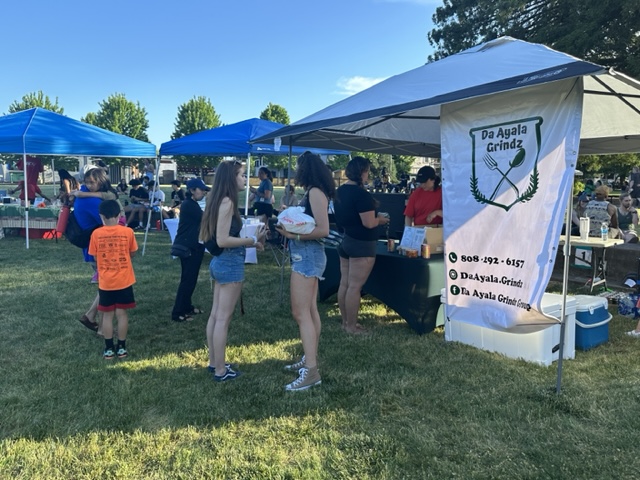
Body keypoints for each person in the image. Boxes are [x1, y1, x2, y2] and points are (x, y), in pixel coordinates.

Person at [200, 161, 264, 382]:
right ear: (231, 178)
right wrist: (252, 239)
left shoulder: (217, 199)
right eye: (242, 175)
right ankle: (220, 370)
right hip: (229, 263)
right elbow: (223, 239)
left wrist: (250, 242)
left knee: (216, 315)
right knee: (222, 319)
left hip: (220, 262)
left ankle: (214, 362)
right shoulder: (227, 202)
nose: (245, 179)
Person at [275, 151, 335, 392]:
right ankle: (309, 359)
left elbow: (323, 229)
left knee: (300, 313)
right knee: (309, 310)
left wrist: (293, 234)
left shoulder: (315, 192)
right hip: (307, 255)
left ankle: (311, 371)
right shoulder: (315, 191)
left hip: (308, 256)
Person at [334, 157, 390, 334]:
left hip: (345, 240)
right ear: (362, 172)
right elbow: (369, 223)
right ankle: (352, 326)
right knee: (354, 287)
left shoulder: (340, 191)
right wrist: (380, 219)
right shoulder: (362, 195)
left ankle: (345, 322)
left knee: (345, 283)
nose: (368, 174)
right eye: (367, 171)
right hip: (362, 244)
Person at [88, 200, 138, 360]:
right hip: (124, 280)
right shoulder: (128, 232)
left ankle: (109, 348)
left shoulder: (96, 234)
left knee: (107, 315)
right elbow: (133, 252)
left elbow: (95, 257)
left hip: (106, 282)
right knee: (122, 314)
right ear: (119, 216)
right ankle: (122, 347)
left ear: (101, 216)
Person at [72, 168, 119, 331]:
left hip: (93, 248)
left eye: (93, 182)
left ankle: (92, 318)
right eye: (88, 182)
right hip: (101, 248)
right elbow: (113, 221)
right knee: (108, 288)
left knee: (107, 287)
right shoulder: (91, 202)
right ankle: (96, 323)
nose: (90, 185)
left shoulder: (82, 196)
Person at [171, 177, 209, 322]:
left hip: (194, 245)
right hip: (189, 246)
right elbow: (206, 218)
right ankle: (178, 312)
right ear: (192, 190)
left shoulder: (191, 203)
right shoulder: (189, 204)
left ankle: (187, 306)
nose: (204, 193)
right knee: (187, 280)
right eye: (202, 190)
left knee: (190, 279)